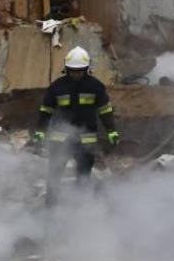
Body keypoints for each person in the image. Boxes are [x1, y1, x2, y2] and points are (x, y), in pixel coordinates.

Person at [32, 46, 120, 206]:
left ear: (87, 69)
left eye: (79, 71)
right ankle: (51, 208)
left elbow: (105, 111)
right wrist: (40, 132)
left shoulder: (96, 87)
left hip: (86, 141)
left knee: (84, 176)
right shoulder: (57, 87)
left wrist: (111, 131)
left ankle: (79, 208)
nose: (76, 74)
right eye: (72, 71)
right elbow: (46, 111)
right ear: (66, 69)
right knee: (54, 174)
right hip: (60, 140)